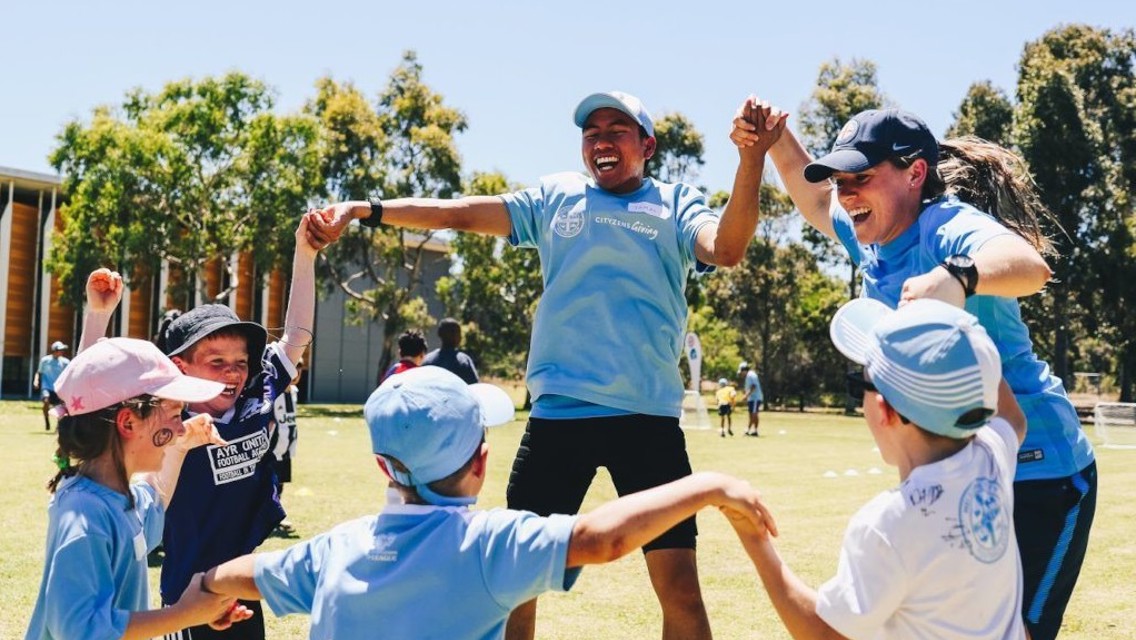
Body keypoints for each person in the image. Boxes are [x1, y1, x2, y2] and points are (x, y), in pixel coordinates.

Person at [310, 91, 786, 640]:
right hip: (558, 419)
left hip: (647, 422)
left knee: (679, 587)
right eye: (591, 133)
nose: (601, 141)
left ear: (648, 145)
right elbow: (459, 212)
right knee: (516, 586)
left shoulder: (677, 203)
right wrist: (365, 210)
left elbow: (725, 248)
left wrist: (752, 158)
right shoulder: (557, 199)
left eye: (617, 130)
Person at [733, 105, 1096, 640]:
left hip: (1041, 471)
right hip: (956, 470)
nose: (846, 193)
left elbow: (1028, 266)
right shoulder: (869, 232)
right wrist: (776, 137)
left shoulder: (947, 226)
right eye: (842, 181)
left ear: (915, 174)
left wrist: (959, 277)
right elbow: (812, 197)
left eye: (861, 178)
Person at [199, 366, 777, 640]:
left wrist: (206, 591)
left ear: (382, 466)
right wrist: (709, 486)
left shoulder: (334, 549)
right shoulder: (487, 544)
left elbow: (232, 575)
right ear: (481, 462)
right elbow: (603, 539)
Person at [82, 212, 332, 640]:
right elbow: (90, 396)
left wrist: (304, 254)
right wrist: (97, 316)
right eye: (216, 363)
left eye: (239, 363)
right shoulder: (166, 414)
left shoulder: (257, 392)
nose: (232, 373)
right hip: (187, 588)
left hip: (240, 577)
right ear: (180, 366)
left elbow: (296, 337)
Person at [726, 297, 1027, 638]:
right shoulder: (991, 456)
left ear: (884, 410)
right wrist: (958, 333)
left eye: (861, 385)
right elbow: (1012, 418)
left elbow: (826, 633)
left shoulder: (886, 525)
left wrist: (755, 541)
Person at [25, 284, 252, 639]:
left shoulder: (118, 497)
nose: (180, 426)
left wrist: (181, 446)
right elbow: (80, 628)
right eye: (174, 414)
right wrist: (183, 614)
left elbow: (156, 498)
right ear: (129, 422)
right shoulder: (84, 517)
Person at [268, 364, 301, 536]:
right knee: (270, 484)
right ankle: (269, 518)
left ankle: (276, 517)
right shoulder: (274, 393)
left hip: (286, 447)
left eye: (299, 370)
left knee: (280, 484)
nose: (296, 374)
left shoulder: (293, 393)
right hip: (273, 448)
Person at [422, 317, 480, 383]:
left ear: (439, 334)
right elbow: (473, 387)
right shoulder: (464, 361)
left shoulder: (427, 360)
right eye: (453, 332)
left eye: (457, 332)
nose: (455, 336)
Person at [34, 341, 71, 431]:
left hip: (58, 388)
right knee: (46, 401)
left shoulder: (65, 362)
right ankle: (47, 421)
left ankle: (59, 426)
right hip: (46, 387)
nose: (62, 352)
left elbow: (69, 374)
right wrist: (36, 381)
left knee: (60, 407)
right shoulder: (45, 360)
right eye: (60, 350)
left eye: (62, 350)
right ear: (54, 350)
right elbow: (39, 372)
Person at [739, 361, 763, 436]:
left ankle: (748, 430)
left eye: (741, 372)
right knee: (752, 414)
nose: (741, 374)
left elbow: (753, 386)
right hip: (751, 398)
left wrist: (746, 395)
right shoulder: (748, 376)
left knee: (754, 414)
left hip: (755, 398)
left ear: (744, 370)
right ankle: (754, 431)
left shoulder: (751, 375)